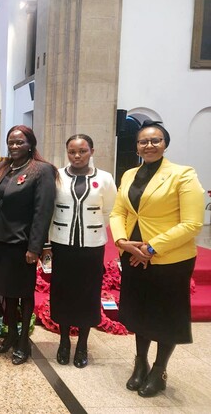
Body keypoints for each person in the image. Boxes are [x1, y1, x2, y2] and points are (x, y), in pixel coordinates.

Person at [110, 120, 204, 397]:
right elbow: (118, 213)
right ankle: (140, 362)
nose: (149, 145)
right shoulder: (129, 175)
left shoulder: (183, 175)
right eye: (143, 141)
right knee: (140, 311)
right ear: (137, 146)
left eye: (155, 140)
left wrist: (150, 249)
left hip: (170, 259)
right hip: (133, 254)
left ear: (165, 144)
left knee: (165, 315)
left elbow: (192, 223)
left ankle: (159, 369)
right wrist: (123, 243)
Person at [0, 125, 56, 365]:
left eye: (19, 142)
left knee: (24, 293)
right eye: (11, 142)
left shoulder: (42, 171)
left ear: (30, 144)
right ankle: (10, 335)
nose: (14, 146)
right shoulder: (4, 168)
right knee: (6, 292)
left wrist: (34, 248)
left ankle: (23, 340)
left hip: (23, 244)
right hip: (0, 241)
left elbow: (43, 211)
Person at [44, 134, 117, 368]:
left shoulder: (104, 178)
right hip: (62, 243)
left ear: (92, 152)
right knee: (63, 291)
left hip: (92, 246)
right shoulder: (57, 176)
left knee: (88, 293)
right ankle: (64, 340)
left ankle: (83, 343)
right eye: (72, 152)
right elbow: (51, 208)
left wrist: (92, 227)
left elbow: (109, 210)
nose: (77, 156)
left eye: (82, 151)